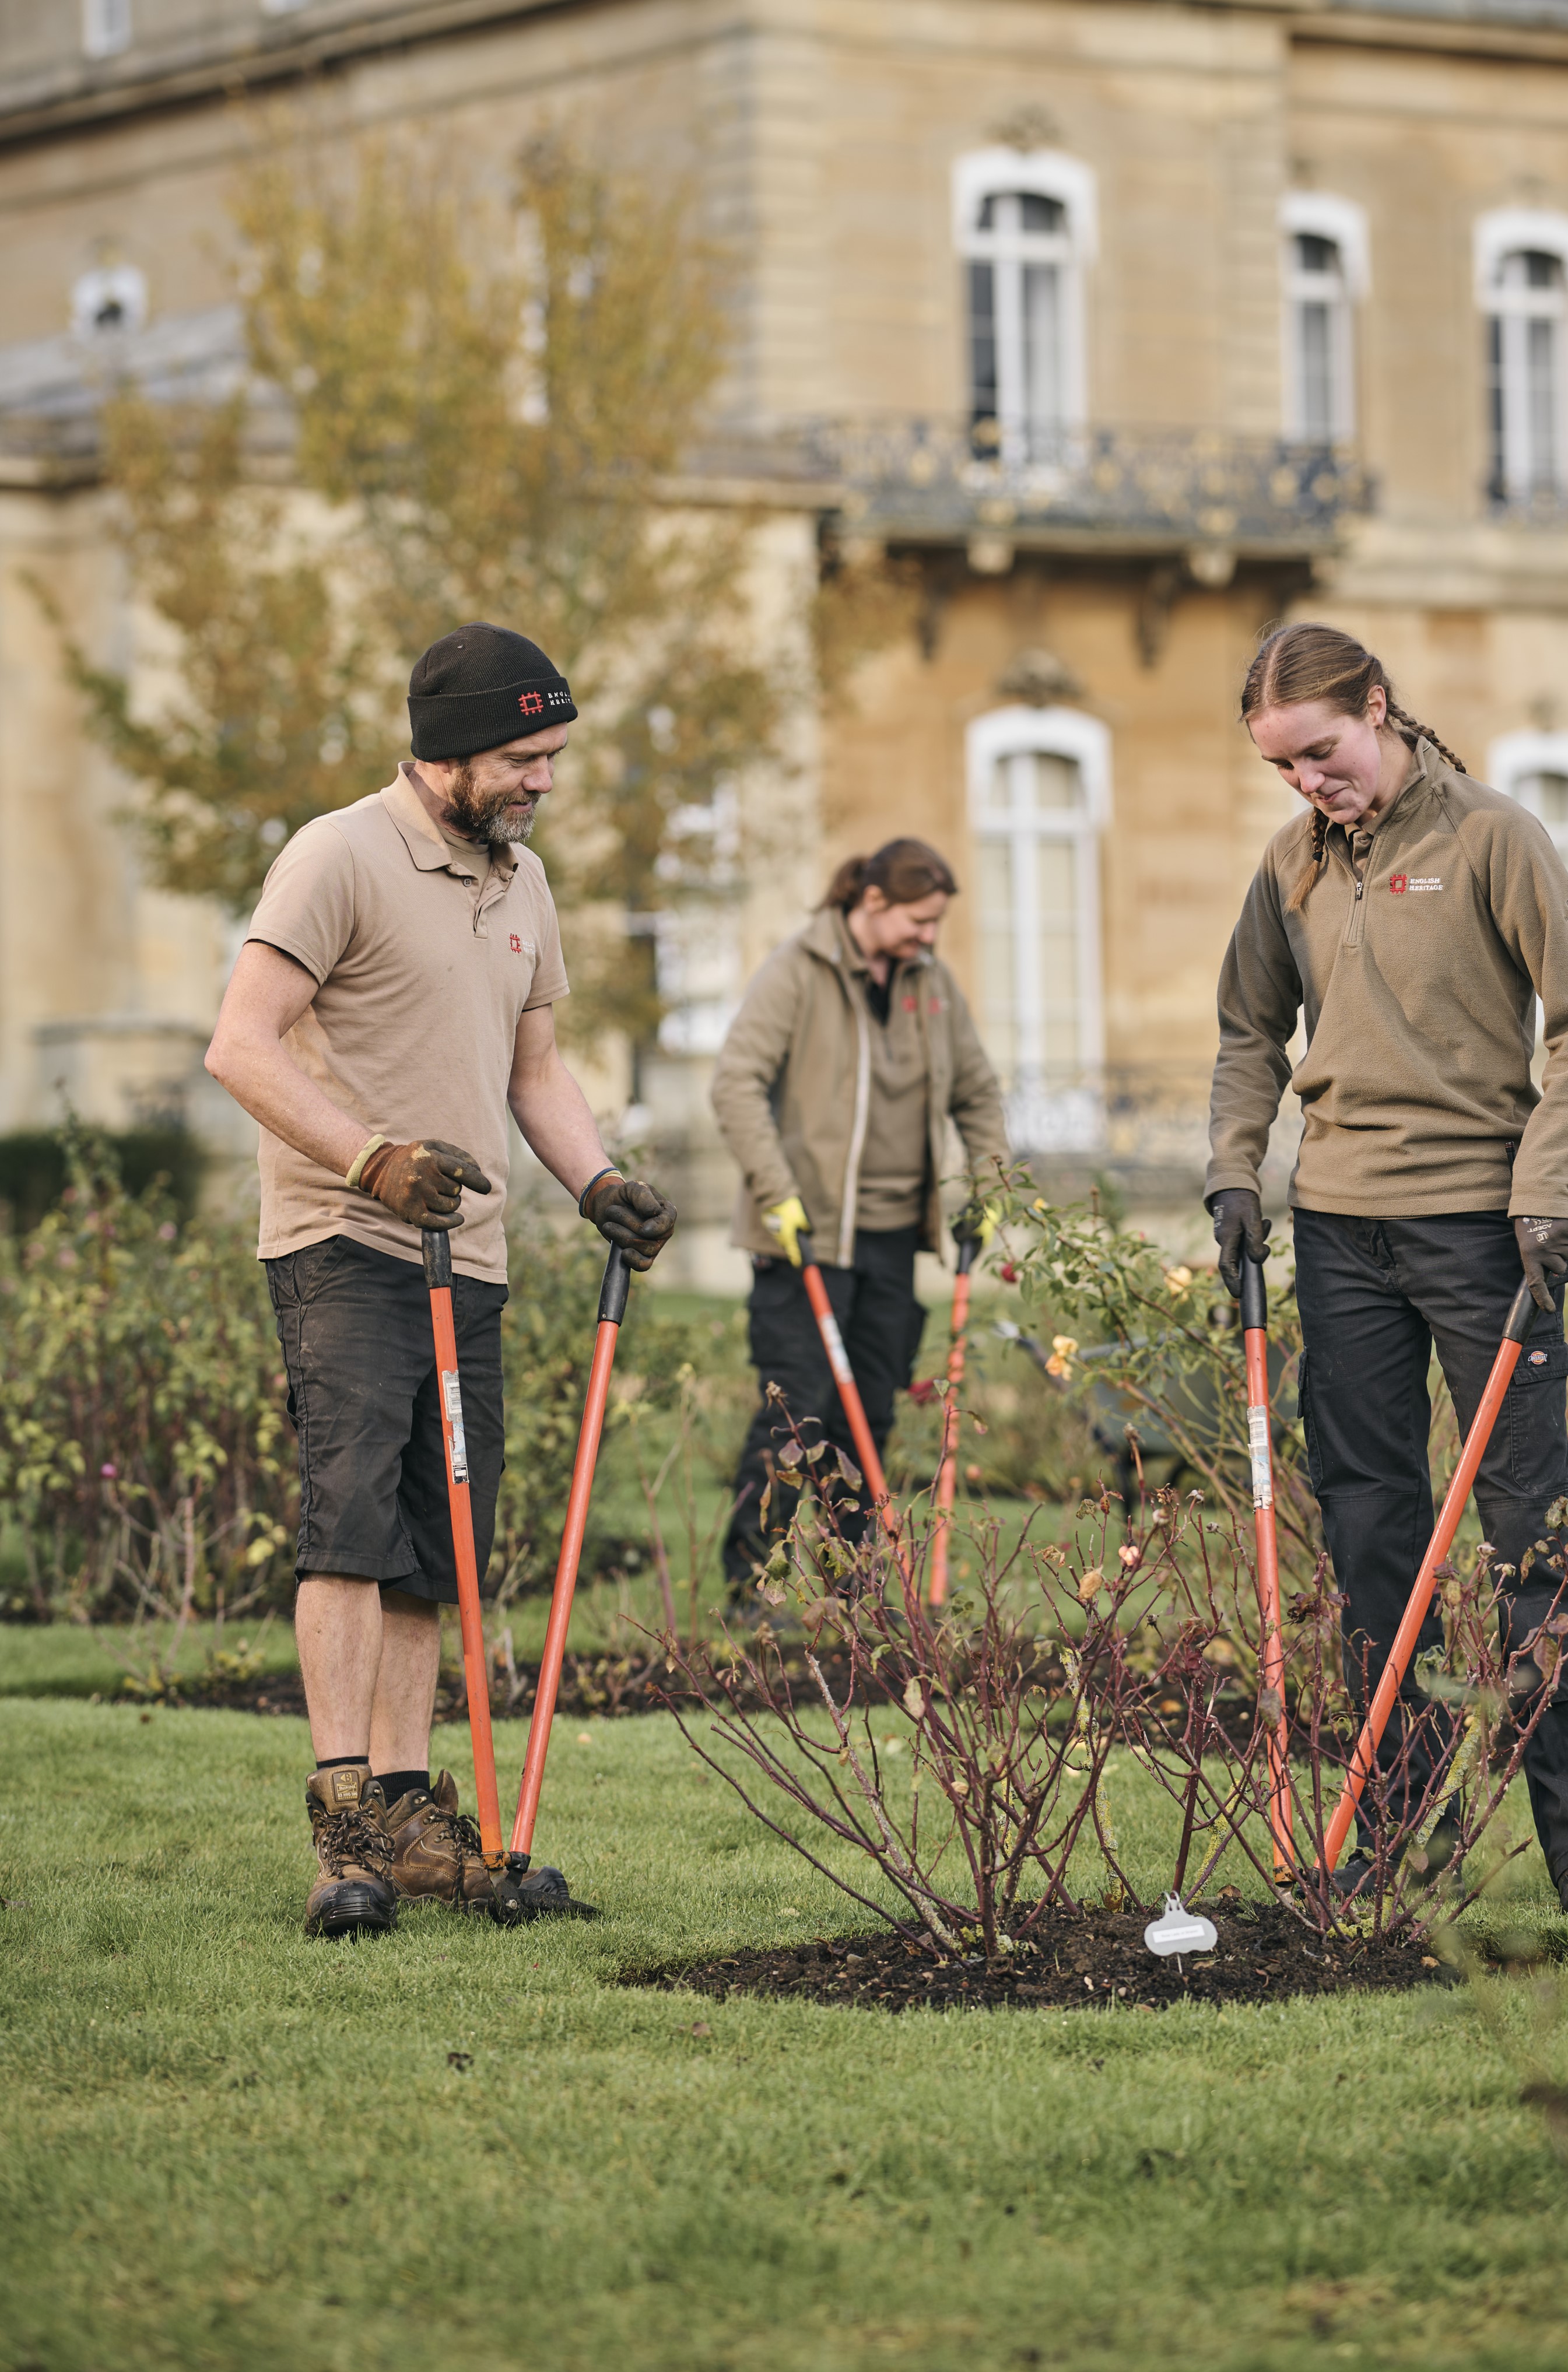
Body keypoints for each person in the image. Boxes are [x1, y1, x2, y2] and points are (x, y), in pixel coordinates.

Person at [206, 623, 678, 1938]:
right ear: (452, 748)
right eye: (526, 757)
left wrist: (597, 1182)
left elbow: (535, 1072)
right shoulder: (338, 854)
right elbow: (240, 1047)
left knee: (437, 1544)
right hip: (345, 1244)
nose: (545, 781)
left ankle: (413, 1821)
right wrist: (372, 1160)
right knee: (354, 1526)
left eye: (554, 756)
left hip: (468, 1257)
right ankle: (344, 1827)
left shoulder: (520, 882)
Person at [1205, 619, 1568, 1915]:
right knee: (1374, 1538)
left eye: (1323, 754)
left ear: (1380, 709)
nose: (1309, 785)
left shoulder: (1492, 837)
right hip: (1339, 1235)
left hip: (1482, 1236)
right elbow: (1247, 1034)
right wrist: (1237, 1171)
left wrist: (1545, 1196)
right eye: (1284, 767)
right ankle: (1400, 1830)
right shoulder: (1290, 864)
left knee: (1530, 1543)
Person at [710, 837, 1008, 1596]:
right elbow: (737, 1082)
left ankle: (856, 1587)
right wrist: (777, 1190)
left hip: (889, 1241)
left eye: (936, 923)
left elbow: (977, 1091)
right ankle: (752, 1585)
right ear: (871, 901)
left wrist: (990, 1182)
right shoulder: (798, 971)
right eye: (918, 919)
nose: (929, 936)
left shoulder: (931, 985)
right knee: (796, 1418)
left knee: (868, 1418)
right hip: (805, 1240)